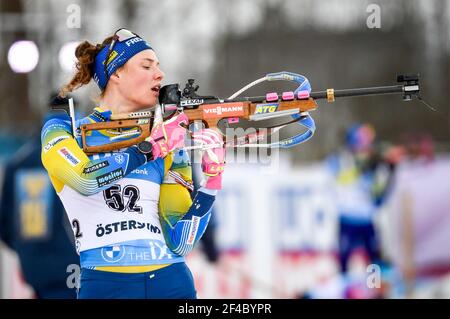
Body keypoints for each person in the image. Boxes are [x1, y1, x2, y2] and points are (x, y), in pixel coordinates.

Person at [41, 28, 225, 299]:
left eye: (159, 67)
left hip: (171, 281)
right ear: (116, 73)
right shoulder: (63, 130)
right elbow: (85, 179)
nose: (159, 75)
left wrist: (211, 184)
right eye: (147, 65)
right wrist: (150, 149)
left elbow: (181, 243)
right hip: (105, 284)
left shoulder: (165, 139)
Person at [0, 94, 79, 299]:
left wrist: (27, 253)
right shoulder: (82, 158)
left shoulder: (20, 163)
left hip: (37, 273)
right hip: (79, 271)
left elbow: (6, 226)